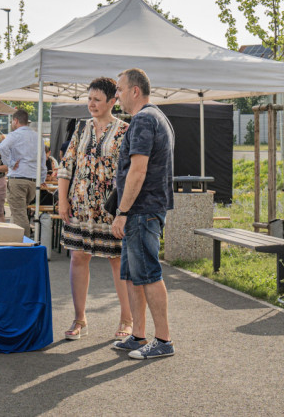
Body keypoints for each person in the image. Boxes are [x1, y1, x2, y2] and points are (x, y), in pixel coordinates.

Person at [57, 77, 133, 341]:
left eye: (97, 100)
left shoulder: (125, 130)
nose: (91, 104)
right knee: (78, 258)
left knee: (117, 261)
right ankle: (79, 319)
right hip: (79, 206)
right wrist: (63, 199)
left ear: (113, 101)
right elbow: (66, 165)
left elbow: (130, 172)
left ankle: (127, 318)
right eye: (89, 99)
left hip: (110, 208)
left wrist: (124, 210)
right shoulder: (80, 128)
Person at [110, 68, 176, 360]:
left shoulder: (144, 119)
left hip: (141, 210)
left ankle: (163, 340)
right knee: (132, 276)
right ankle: (138, 335)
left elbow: (138, 169)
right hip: (144, 209)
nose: (117, 96)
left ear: (135, 91)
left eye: (120, 90)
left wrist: (122, 212)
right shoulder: (156, 117)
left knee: (147, 274)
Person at [0, 109, 46, 236]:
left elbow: (2, 147)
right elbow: (42, 159)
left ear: (15, 121)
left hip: (18, 177)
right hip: (32, 180)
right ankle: (14, 241)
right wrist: (42, 178)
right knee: (18, 212)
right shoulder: (38, 136)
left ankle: (25, 243)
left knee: (19, 214)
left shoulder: (15, 135)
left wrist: (10, 163)